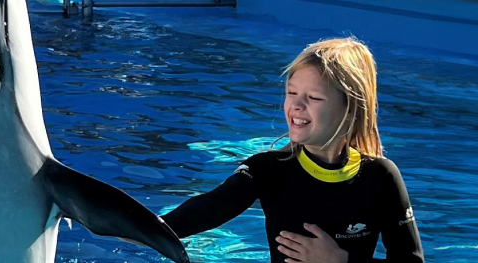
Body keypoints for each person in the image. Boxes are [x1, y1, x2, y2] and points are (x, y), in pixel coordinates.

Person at [160, 37, 425, 263]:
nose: (296, 106)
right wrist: (143, 229)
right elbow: (209, 208)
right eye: (291, 92)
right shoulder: (268, 169)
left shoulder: (379, 176)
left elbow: (410, 259)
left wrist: (341, 260)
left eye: (314, 98)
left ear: (350, 109)